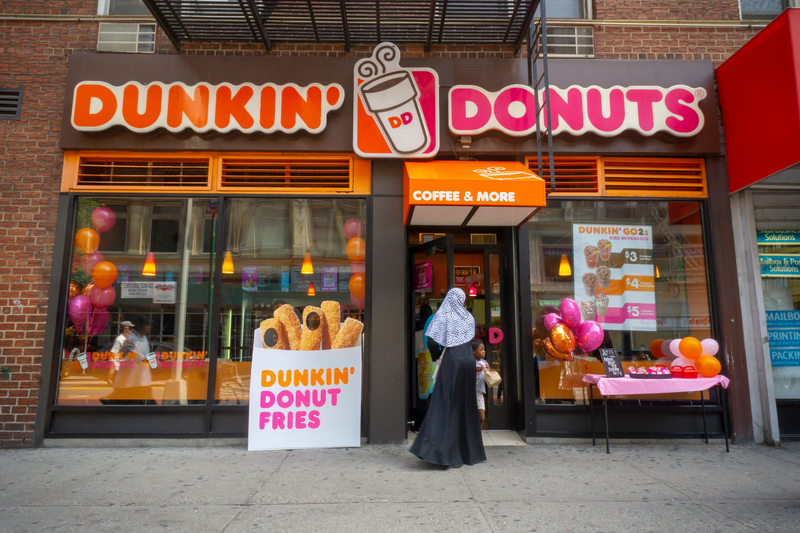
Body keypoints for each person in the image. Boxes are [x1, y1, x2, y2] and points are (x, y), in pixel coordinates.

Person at [409, 288, 486, 468]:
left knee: (443, 403)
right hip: (468, 360)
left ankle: (438, 452)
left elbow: (433, 341)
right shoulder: (468, 317)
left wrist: (436, 356)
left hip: (452, 360)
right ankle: (468, 453)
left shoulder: (444, 315)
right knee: (465, 405)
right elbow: (470, 338)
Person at [104, 315, 155, 405]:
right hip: (129, 380)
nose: (149, 327)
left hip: (141, 380)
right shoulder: (131, 338)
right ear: (139, 326)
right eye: (146, 325)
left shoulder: (144, 338)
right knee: (121, 404)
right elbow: (132, 354)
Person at [473, 339, 489, 429]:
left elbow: (487, 376)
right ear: (474, 351)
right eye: (481, 349)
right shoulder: (469, 362)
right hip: (468, 392)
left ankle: (476, 432)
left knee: (482, 417)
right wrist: (473, 369)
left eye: (484, 349)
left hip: (479, 392)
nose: (484, 351)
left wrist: (489, 371)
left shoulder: (484, 362)